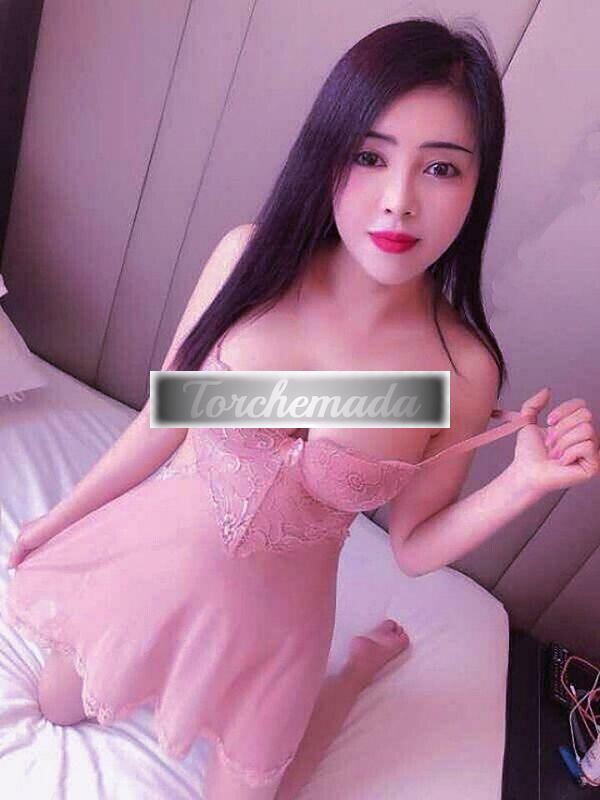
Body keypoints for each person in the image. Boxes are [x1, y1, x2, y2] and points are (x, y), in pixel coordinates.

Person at [3, 16, 599, 800]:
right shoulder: (251, 261)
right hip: (153, 564)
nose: (399, 202)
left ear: (475, 184)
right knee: (57, 704)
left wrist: (522, 484)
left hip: (276, 632)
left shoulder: (460, 368)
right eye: (370, 156)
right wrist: (61, 518)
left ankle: (349, 675)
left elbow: (413, 546)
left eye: (440, 168)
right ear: (330, 153)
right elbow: (165, 414)